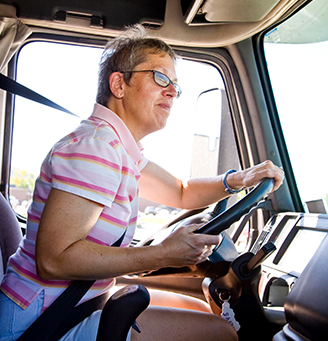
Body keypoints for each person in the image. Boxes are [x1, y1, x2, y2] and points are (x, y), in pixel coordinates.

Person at [0, 24, 284, 341]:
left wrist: (241, 179)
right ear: (119, 84)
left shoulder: (117, 150)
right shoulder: (96, 149)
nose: (172, 91)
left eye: (176, 85)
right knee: (221, 333)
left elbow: (181, 190)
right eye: (160, 77)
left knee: (199, 310)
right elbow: (54, 260)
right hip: (39, 323)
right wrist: (163, 253)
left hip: (71, 305)